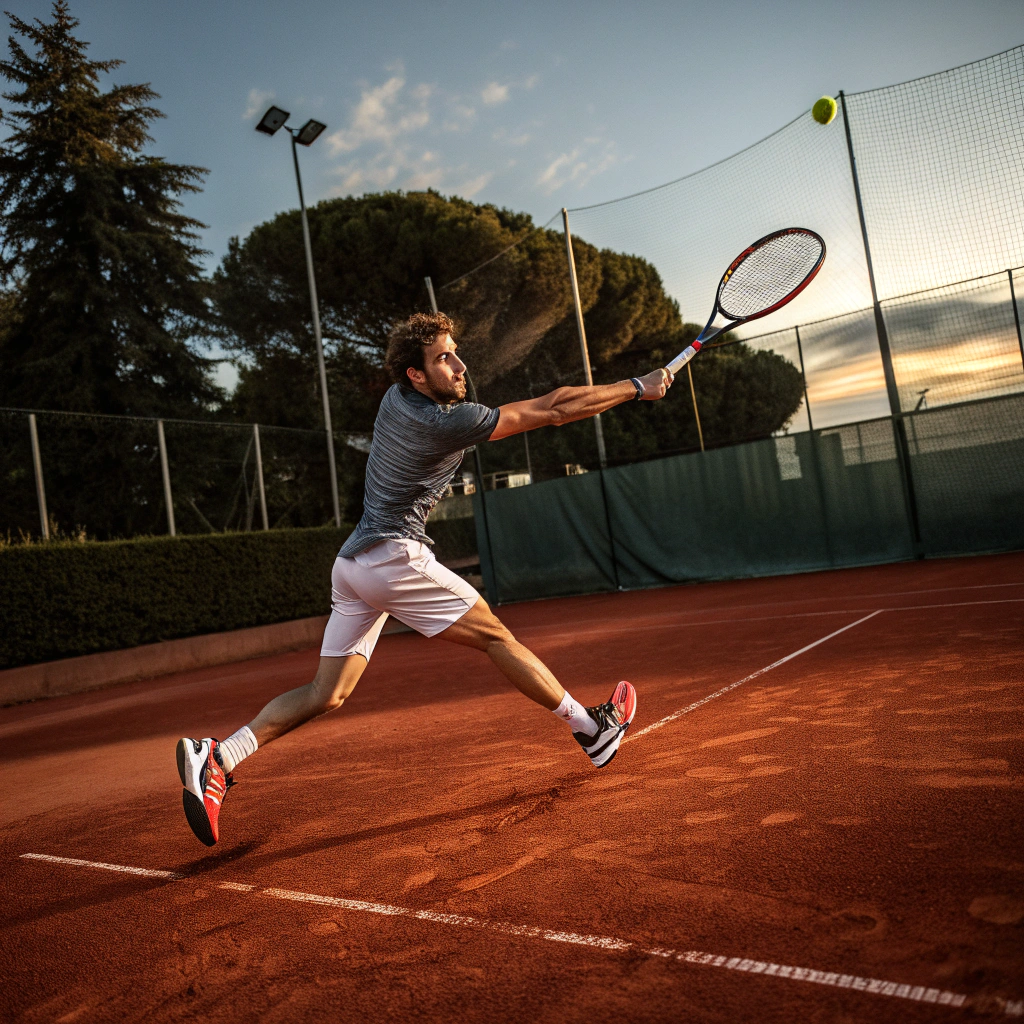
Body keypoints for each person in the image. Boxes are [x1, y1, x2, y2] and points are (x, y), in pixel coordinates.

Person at [177, 312, 673, 846]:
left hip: (351, 567)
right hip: (393, 556)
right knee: (496, 637)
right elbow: (553, 409)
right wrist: (634, 387)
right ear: (416, 375)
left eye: (456, 352)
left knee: (327, 692)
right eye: (444, 358)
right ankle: (593, 731)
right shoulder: (444, 422)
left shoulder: (397, 401)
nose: (460, 365)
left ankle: (220, 756)